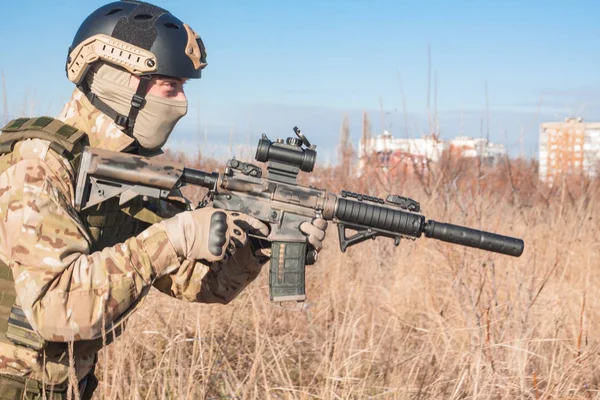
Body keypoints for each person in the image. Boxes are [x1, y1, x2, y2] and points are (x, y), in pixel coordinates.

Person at [0, 1, 328, 399]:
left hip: (67, 386)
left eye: (183, 88)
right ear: (118, 81)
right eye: (170, 86)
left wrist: (258, 244)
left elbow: (193, 283)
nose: (181, 104)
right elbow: (55, 308)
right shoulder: (38, 164)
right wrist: (171, 239)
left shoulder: (129, 172)